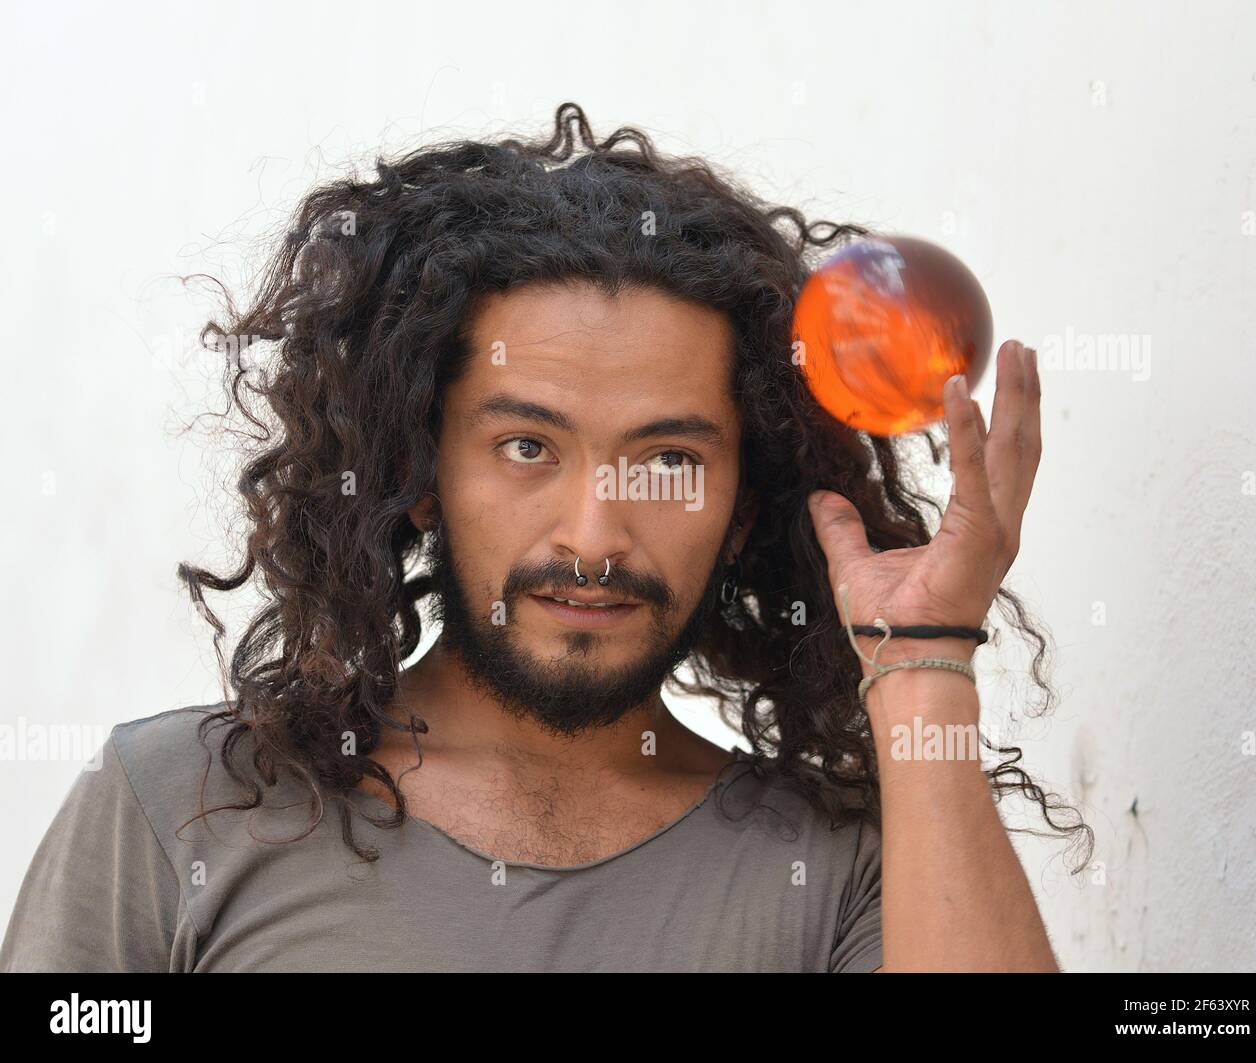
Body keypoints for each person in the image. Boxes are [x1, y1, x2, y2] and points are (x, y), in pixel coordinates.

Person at [1, 102, 1088, 972]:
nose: (593, 533)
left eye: (669, 460)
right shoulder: (179, 809)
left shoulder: (832, 868)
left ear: (744, 503)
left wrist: (923, 660)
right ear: (420, 476)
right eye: (528, 447)